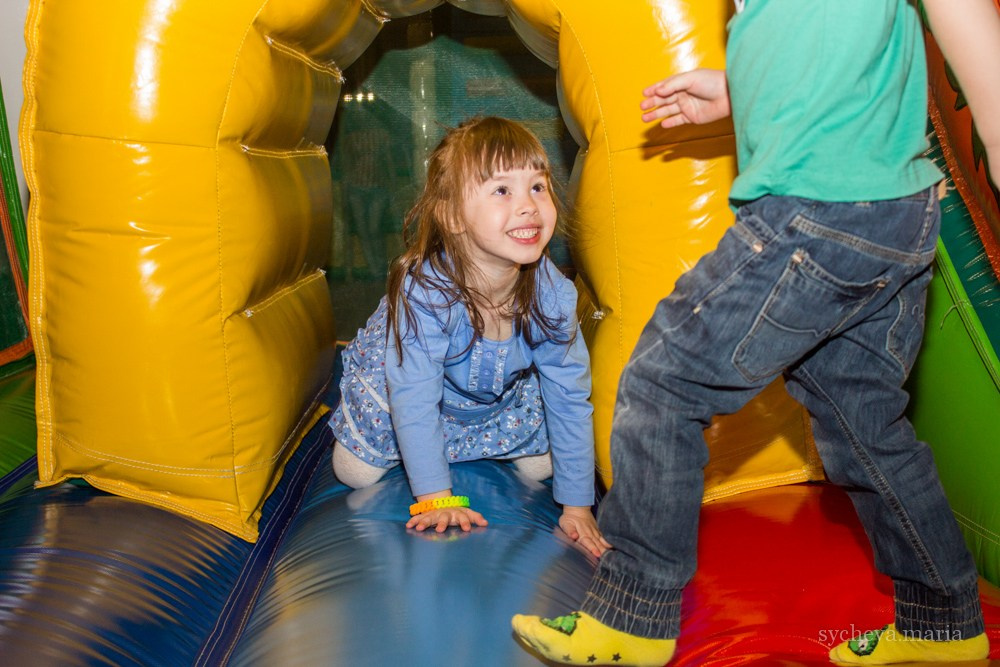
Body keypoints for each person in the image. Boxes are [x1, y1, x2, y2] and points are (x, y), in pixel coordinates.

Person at [511, 0, 1000, 664]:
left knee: (660, 380)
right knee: (864, 428)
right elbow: (833, 43)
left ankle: (631, 617)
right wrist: (734, 92)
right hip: (893, 211)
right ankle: (943, 622)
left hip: (816, 207)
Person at [328, 116, 611, 558]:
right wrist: (437, 497)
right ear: (453, 215)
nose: (529, 206)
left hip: (492, 398)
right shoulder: (426, 292)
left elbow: (569, 395)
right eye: (502, 190)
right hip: (416, 391)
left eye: (538, 186)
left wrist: (578, 507)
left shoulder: (553, 293)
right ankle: (422, 451)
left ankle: (478, 440)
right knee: (354, 472)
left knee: (543, 470)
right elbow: (415, 396)